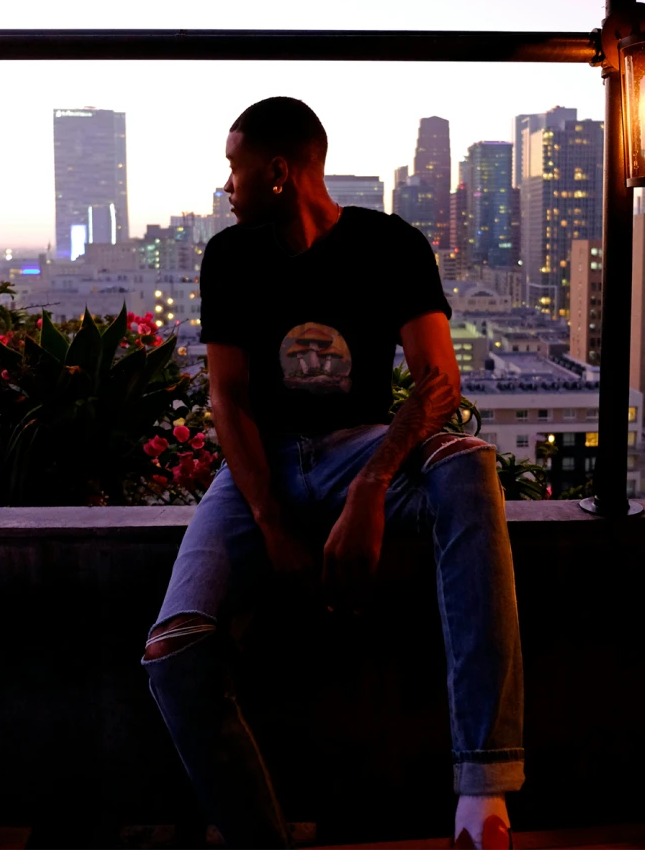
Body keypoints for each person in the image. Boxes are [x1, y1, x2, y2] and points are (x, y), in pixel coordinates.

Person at [141, 97, 524, 850]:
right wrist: (271, 522)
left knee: (469, 465)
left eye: (235, 169)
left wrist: (372, 486)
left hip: (364, 449)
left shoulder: (392, 244)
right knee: (173, 648)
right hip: (264, 462)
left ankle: (484, 793)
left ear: (279, 172)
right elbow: (228, 399)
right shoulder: (230, 256)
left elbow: (439, 382)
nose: (227, 186)